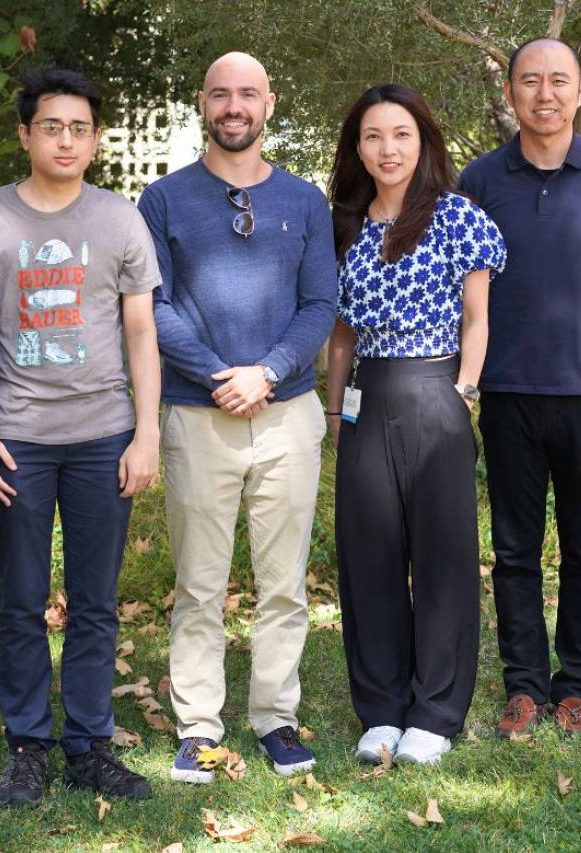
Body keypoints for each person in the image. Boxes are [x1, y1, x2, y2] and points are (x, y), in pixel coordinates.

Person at [137, 52, 337, 783]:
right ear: (202, 104)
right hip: (198, 414)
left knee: (284, 582)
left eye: (247, 94)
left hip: (287, 415)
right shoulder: (161, 201)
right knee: (199, 582)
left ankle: (275, 718)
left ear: (268, 105)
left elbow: (321, 303)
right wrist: (222, 376)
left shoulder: (305, 201)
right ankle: (198, 727)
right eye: (221, 94)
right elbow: (152, 306)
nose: (234, 106)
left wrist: (269, 371)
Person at [456, 38, 581, 738]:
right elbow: (462, 284)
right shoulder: (481, 181)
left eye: (558, 81)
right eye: (530, 81)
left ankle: (574, 684)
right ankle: (523, 686)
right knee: (514, 549)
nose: (544, 94)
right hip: (508, 392)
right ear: (511, 93)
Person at [0, 68, 161, 807]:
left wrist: (146, 434)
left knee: (95, 600)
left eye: (80, 127)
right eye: (52, 126)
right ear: (24, 134)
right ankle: (27, 746)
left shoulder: (120, 219)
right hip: (18, 440)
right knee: (19, 599)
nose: (67, 139)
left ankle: (88, 743)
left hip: (102, 437)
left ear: (96, 138)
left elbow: (140, 330)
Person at [325, 84, 505, 765]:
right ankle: (380, 707)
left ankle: (435, 711)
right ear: (358, 147)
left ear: (422, 140)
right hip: (367, 394)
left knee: (443, 556)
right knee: (368, 554)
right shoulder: (344, 224)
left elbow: (477, 318)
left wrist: (464, 392)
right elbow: (340, 337)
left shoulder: (459, 217)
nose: (388, 148)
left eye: (400, 133)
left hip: (438, 387)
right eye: (373, 136)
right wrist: (338, 412)